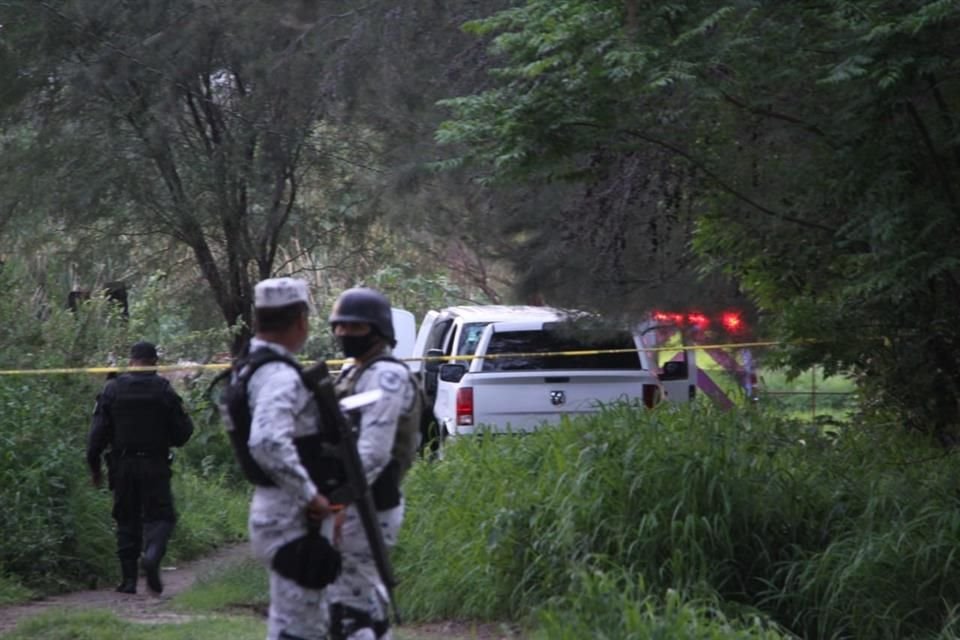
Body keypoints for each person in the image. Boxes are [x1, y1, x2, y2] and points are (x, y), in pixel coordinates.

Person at [245, 277, 336, 640]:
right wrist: (309, 493)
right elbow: (267, 440)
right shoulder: (280, 375)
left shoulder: (252, 365)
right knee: (303, 629)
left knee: (290, 624)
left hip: (278, 510)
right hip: (292, 516)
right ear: (301, 319)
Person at [326, 287, 419, 640]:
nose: (344, 335)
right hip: (353, 502)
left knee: (352, 612)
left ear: (378, 331)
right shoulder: (355, 372)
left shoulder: (386, 376)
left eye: (356, 328)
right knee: (357, 604)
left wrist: (338, 500)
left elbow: (374, 453)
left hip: (367, 503)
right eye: (340, 328)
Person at [86, 341, 194, 595]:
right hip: (155, 464)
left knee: (126, 519)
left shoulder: (112, 390)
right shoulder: (164, 390)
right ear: (155, 363)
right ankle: (153, 554)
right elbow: (183, 432)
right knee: (162, 517)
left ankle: (129, 581)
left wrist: (94, 468)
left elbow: (96, 436)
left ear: (131, 361)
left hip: (122, 465)